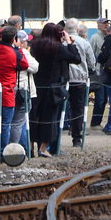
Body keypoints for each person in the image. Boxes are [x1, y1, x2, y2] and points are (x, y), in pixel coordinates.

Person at [31, 23, 80, 158]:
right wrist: (70, 42)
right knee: (51, 119)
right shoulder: (58, 48)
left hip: (37, 86)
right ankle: (43, 147)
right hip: (54, 88)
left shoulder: (35, 46)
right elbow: (76, 59)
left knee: (35, 117)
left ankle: (31, 147)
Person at [0, 26, 28, 159]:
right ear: (14, 39)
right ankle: (2, 153)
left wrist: (1, 31)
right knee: (5, 125)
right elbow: (25, 65)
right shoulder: (14, 53)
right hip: (7, 95)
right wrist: (18, 48)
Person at [64, 19, 97, 147]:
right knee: (78, 109)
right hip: (80, 79)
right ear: (77, 30)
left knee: (63, 107)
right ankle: (76, 137)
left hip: (65, 80)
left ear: (65, 30)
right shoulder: (84, 43)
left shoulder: (62, 44)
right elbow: (91, 63)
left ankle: (63, 129)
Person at [9, 30, 39, 153]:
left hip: (9, 90)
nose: (27, 43)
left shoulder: (5, 51)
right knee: (19, 122)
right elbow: (35, 67)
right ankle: (18, 150)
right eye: (26, 41)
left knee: (13, 122)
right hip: (22, 90)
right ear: (20, 42)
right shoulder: (23, 53)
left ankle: (21, 149)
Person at [88, 18, 110, 129]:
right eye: (104, 23)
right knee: (100, 97)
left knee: (104, 97)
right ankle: (95, 122)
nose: (106, 25)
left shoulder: (107, 37)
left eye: (107, 23)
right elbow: (90, 53)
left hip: (105, 71)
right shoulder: (94, 38)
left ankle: (97, 121)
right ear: (98, 25)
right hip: (98, 71)